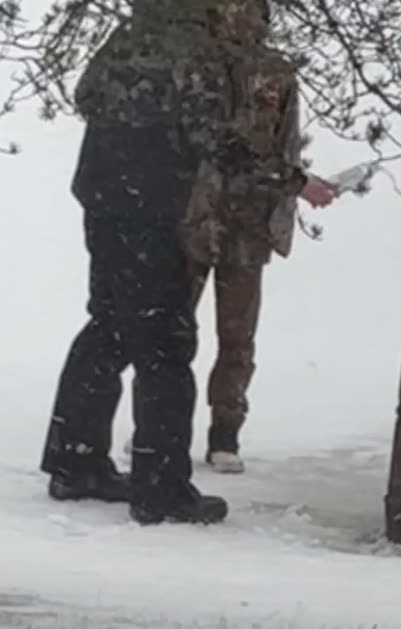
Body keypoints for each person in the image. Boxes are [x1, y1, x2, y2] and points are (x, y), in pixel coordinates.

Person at [39, 0, 336, 525]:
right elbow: (215, 139)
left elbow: (86, 95)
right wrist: (292, 180)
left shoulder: (129, 35)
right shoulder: (196, 52)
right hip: (153, 209)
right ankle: (161, 487)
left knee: (108, 327)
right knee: (166, 345)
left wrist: (130, 131)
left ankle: (75, 460)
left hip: (102, 197)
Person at [127, 0, 328, 475]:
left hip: (248, 224)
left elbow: (285, 142)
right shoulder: (196, 67)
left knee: (237, 339)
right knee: (172, 332)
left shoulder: (278, 72)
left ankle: (225, 434)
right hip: (194, 217)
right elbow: (198, 142)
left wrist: (293, 189)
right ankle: (154, 432)